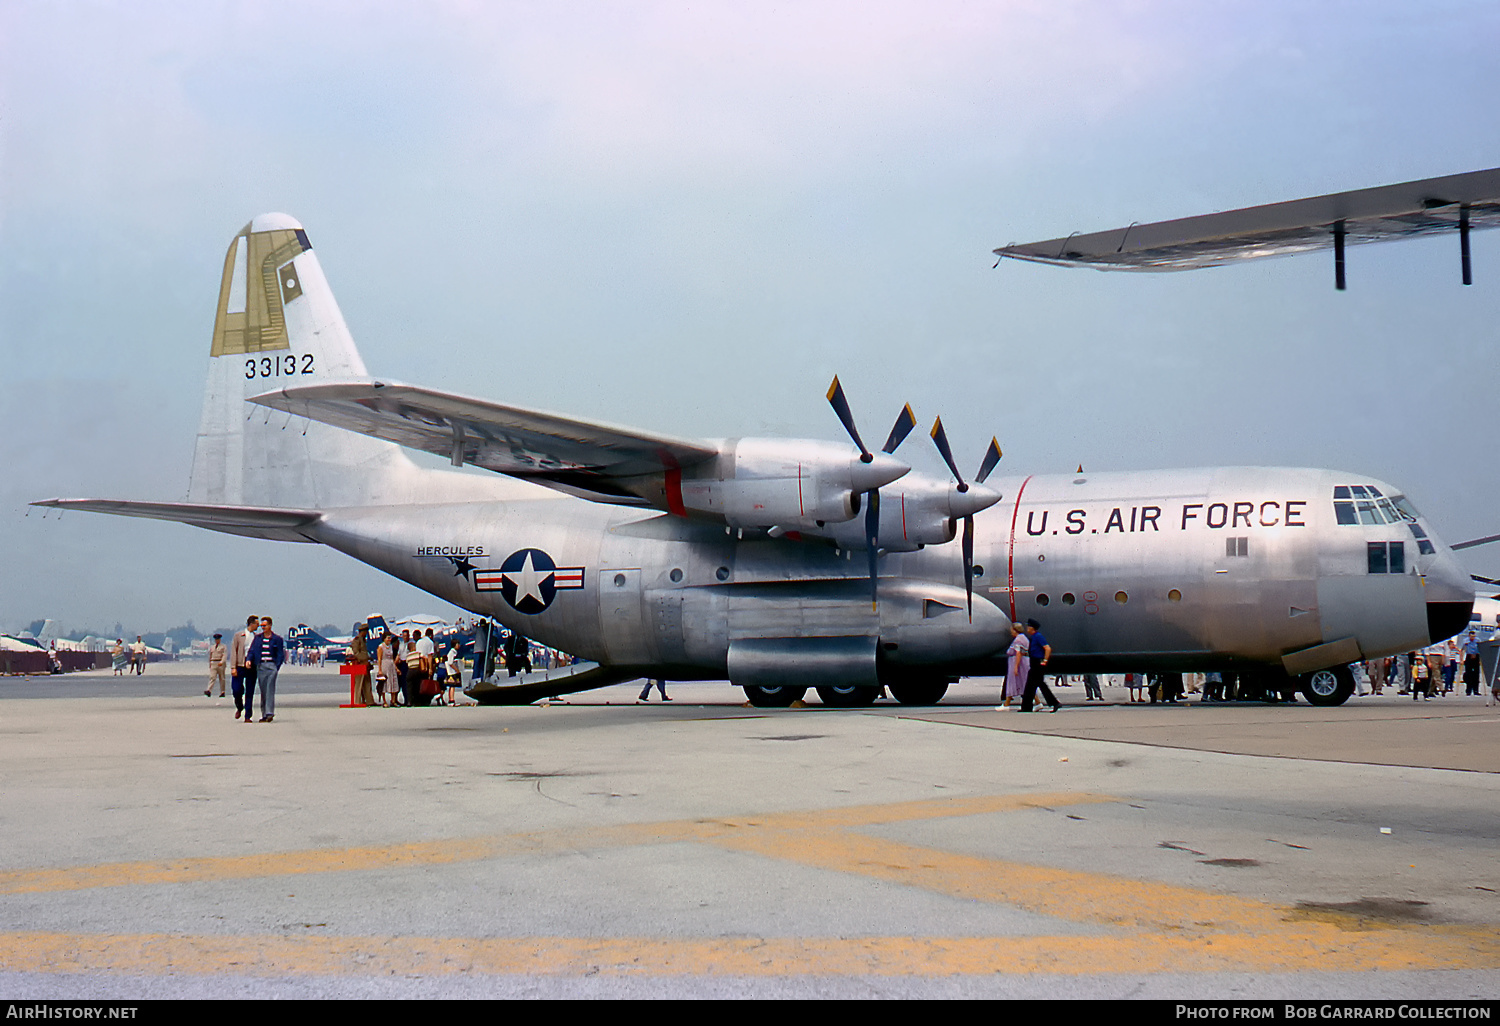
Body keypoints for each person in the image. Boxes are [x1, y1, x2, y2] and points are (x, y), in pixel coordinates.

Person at [246, 616, 286, 723]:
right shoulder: (258, 638)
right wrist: (249, 660)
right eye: (261, 626)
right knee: (263, 691)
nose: (263, 628)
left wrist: (276, 666)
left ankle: (269, 713)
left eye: (264, 625)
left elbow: (280, 655)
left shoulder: (277, 639)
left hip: (271, 666)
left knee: (270, 689)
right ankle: (264, 714)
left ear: (270, 626)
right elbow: (252, 651)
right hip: (261, 666)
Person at [1021, 619, 1061, 713]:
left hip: (1037, 663)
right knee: (1030, 685)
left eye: (1028, 627)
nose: (1027, 628)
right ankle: (1026, 707)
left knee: (1038, 684)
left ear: (1032, 628)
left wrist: (1045, 660)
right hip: (1034, 662)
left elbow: (1047, 648)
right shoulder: (1034, 637)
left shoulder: (1038, 637)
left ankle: (1054, 703)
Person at [231, 614, 257, 720]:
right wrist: (233, 667)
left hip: (252, 665)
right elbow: (234, 651)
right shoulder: (239, 636)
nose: (258, 626)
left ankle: (248, 715)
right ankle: (239, 706)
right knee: (236, 689)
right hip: (240, 664)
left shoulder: (256, 637)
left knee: (250, 691)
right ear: (251, 624)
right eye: (257, 624)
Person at [1002, 623, 1029, 709]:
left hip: (1017, 662)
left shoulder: (1018, 640)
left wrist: (1016, 667)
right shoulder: (1024, 638)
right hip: (1024, 661)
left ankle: (1006, 704)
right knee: (1024, 682)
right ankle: (1037, 702)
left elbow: (1018, 653)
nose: (1011, 633)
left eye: (1012, 631)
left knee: (1013, 682)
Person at [349, 625, 373, 707]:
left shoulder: (363, 640)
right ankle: (357, 701)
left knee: (367, 683)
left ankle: (369, 701)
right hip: (359, 665)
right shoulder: (357, 640)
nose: (366, 633)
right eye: (365, 631)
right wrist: (364, 660)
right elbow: (356, 653)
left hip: (365, 665)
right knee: (359, 684)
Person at [206, 633, 228, 698]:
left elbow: (225, 655)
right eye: (216, 639)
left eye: (218, 639)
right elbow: (210, 656)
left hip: (220, 663)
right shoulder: (212, 647)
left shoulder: (223, 647)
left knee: (222, 678)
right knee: (212, 677)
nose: (217, 640)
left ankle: (222, 692)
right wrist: (210, 663)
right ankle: (209, 690)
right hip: (213, 662)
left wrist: (222, 662)